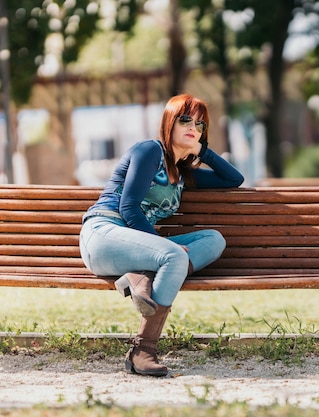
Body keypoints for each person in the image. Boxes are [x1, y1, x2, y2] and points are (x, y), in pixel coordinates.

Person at [79, 93, 244, 377]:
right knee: (174, 255)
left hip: (138, 246)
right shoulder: (149, 151)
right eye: (185, 120)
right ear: (169, 123)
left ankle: (141, 276)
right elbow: (128, 207)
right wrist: (166, 246)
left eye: (200, 124)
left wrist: (202, 151)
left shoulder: (182, 175)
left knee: (214, 239)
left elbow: (233, 179)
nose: (193, 127)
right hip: (104, 232)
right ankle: (143, 350)